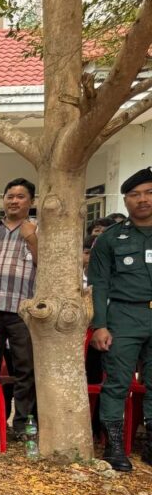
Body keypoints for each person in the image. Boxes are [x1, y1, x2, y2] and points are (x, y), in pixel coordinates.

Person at [89, 167, 152, 471]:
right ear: (126, 200)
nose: (143, 199)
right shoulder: (111, 238)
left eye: (149, 193)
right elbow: (98, 284)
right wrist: (100, 325)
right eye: (135, 194)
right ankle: (114, 447)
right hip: (125, 316)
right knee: (117, 382)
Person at [0, 178, 39, 439]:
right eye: (10, 196)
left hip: (23, 312)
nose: (14, 201)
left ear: (32, 201)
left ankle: (22, 424)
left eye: (20, 196)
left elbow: (47, 266)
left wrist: (32, 238)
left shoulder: (38, 230)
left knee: (26, 369)